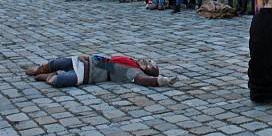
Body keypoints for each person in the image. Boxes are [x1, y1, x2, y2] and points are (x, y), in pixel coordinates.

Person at [24, 53, 178, 88]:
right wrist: (88, 56)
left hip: (87, 75)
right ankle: (39, 69)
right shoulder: (130, 61)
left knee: (59, 81)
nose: (147, 61)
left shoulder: (133, 72)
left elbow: (143, 81)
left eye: (150, 65)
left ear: (148, 71)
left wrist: (161, 80)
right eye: (149, 60)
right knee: (59, 62)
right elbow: (105, 61)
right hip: (89, 61)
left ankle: (47, 77)